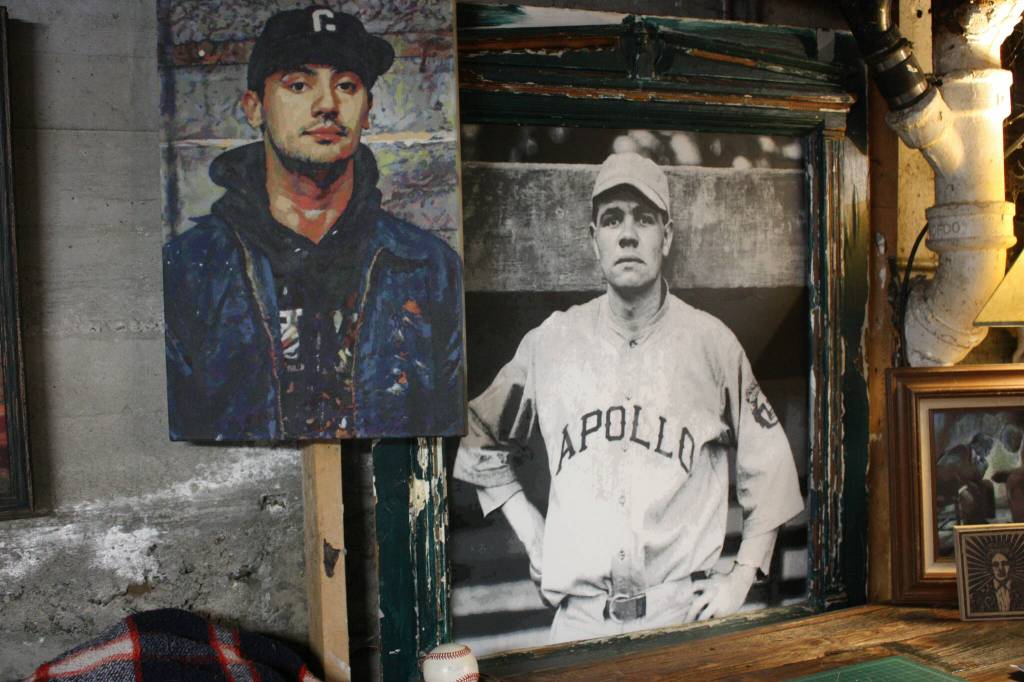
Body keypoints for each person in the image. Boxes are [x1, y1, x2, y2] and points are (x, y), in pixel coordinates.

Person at [453, 152, 803, 643]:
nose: (628, 234)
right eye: (612, 219)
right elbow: (477, 433)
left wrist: (743, 573)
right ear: (593, 239)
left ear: (667, 236)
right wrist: (534, 536)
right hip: (579, 621)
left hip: (680, 615)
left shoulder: (711, 344)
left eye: (645, 218)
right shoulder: (551, 343)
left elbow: (770, 467)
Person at [163, 6, 465, 441]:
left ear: (368, 110)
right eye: (299, 85)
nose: (327, 105)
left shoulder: (429, 268)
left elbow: (446, 429)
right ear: (254, 107)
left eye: (346, 85)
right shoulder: (188, 270)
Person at [970, 546, 1024, 613]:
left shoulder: (1021, 590)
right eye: (995, 564)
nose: (1000, 568)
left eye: (1004, 563)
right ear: (990, 568)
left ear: (1011, 565)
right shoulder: (979, 595)